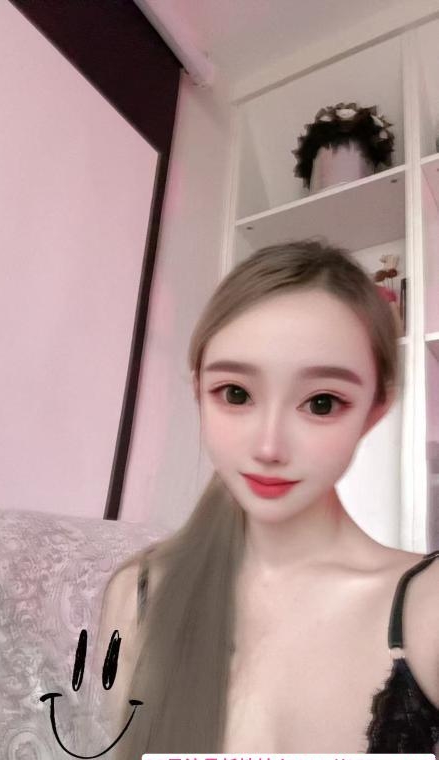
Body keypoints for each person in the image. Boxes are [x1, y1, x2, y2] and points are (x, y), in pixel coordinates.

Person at [94, 239, 439, 756]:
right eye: (236, 394)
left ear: (375, 410)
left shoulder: (427, 608)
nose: (269, 447)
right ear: (198, 392)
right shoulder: (136, 594)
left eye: (321, 403)